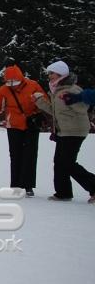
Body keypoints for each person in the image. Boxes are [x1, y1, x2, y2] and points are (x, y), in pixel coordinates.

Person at [33, 61, 95, 203]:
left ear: (61, 74)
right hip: (64, 131)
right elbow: (55, 112)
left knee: (67, 163)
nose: (49, 76)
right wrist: (39, 101)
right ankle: (63, 192)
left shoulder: (72, 90)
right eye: (49, 73)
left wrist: (72, 101)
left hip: (75, 131)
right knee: (60, 162)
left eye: (52, 73)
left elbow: (83, 109)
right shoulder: (57, 90)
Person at [0, 64, 46, 197]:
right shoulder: (4, 89)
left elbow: (44, 103)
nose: (12, 85)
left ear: (21, 79)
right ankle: (16, 185)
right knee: (15, 155)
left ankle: (28, 185)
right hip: (13, 126)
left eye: (15, 81)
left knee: (30, 155)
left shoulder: (33, 85)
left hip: (31, 125)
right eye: (9, 82)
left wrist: (38, 103)